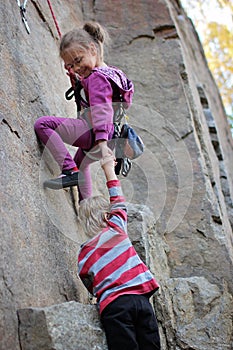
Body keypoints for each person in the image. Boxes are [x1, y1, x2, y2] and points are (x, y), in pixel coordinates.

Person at [34, 21, 134, 201]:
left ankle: (69, 170)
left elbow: (101, 110)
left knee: (43, 125)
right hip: (111, 135)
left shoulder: (96, 78)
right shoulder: (111, 73)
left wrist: (103, 146)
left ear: (92, 49)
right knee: (82, 164)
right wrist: (78, 81)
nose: (76, 68)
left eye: (78, 60)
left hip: (95, 132)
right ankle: (87, 207)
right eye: (70, 66)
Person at [77, 154, 161, 350]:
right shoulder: (116, 228)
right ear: (108, 216)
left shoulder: (84, 254)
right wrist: (108, 168)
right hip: (141, 300)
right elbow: (117, 198)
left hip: (114, 306)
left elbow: (88, 281)